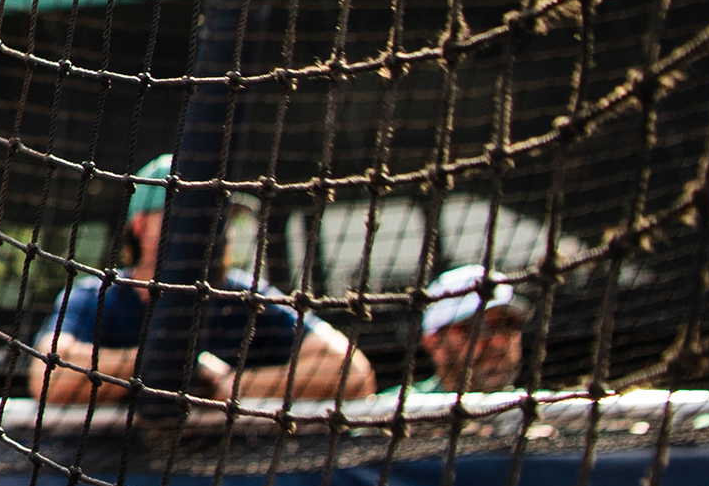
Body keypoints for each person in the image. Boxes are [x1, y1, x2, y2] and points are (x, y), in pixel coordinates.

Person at [31, 153, 374, 404]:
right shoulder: (96, 295)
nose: (208, 228)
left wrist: (231, 383)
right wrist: (167, 363)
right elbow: (47, 377)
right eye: (184, 216)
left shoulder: (241, 296)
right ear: (140, 226)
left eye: (216, 217)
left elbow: (353, 373)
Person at [411, 261, 529, 393]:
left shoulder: (541, 407)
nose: (498, 341)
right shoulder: (396, 407)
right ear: (433, 343)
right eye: (476, 328)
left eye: (508, 324)